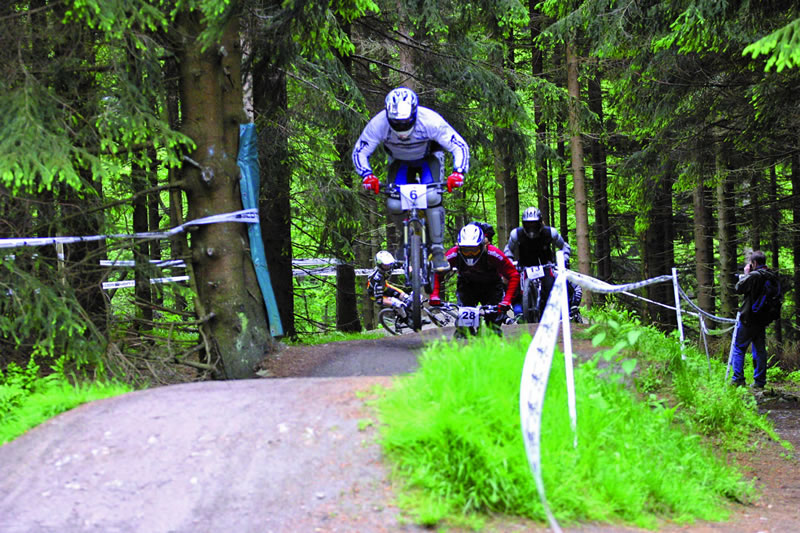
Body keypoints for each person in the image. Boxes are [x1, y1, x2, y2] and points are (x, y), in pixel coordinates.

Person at [353, 87, 470, 272]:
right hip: (399, 162)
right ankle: (403, 237)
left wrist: (458, 172)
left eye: (406, 122)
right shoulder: (379, 124)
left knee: (433, 197)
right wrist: (367, 175)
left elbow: (458, 145)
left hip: (428, 158)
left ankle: (438, 249)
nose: (401, 128)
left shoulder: (430, 120)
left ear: (414, 113)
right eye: (396, 123)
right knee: (393, 204)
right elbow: (360, 150)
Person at [429, 224, 519, 333]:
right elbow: (438, 273)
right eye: (466, 250)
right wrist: (434, 295)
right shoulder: (453, 254)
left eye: (474, 250)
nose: (470, 254)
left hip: (492, 287)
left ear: (482, 246)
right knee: (464, 329)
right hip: (467, 286)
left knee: (493, 327)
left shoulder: (494, 254)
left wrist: (506, 300)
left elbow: (513, 274)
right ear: (459, 247)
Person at [503, 207, 574, 319]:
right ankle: (519, 312)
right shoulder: (516, 234)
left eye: (534, 224)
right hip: (524, 266)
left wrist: (563, 258)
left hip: (546, 265)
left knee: (553, 284)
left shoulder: (550, 233)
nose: (531, 228)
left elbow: (564, 246)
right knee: (514, 286)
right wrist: (509, 260)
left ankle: (566, 310)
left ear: (540, 223)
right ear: (523, 224)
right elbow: (508, 249)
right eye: (528, 224)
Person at [730, 250, 780, 389]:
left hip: (748, 318)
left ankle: (738, 379)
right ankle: (759, 381)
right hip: (763, 319)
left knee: (739, 348)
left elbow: (738, 288)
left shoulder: (754, 276)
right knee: (759, 349)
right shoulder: (771, 276)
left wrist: (746, 274)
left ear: (754, 263)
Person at [366, 250, 411, 321]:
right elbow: (379, 300)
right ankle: (405, 319)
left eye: (389, 264)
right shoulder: (377, 279)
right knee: (398, 305)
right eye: (385, 265)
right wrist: (393, 302)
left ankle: (414, 317)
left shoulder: (391, 264)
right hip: (376, 294)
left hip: (385, 286)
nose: (388, 267)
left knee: (406, 297)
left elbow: (401, 264)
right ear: (379, 265)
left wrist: (408, 268)